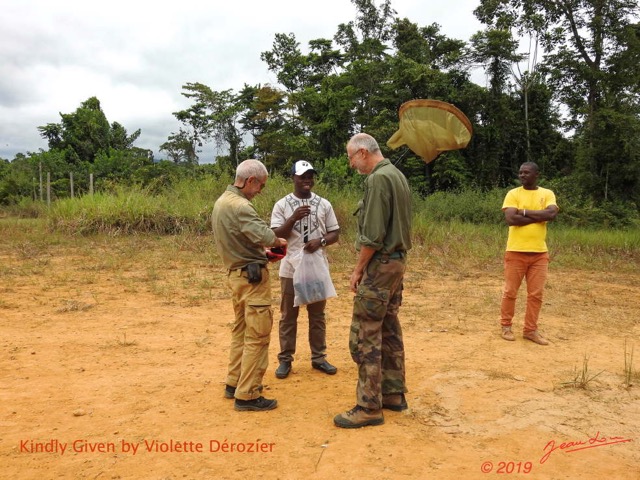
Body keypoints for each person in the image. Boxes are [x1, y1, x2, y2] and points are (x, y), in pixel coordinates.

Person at [334, 133, 412, 429]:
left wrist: (357, 270)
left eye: (351, 158)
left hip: (380, 265)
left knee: (366, 332)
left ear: (363, 152)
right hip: (396, 264)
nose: (352, 164)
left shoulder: (378, 179)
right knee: (389, 327)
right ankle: (393, 394)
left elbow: (373, 236)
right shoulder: (397, 175)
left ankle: (368, 406)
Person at [211, 159, 288, 412]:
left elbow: (240, 240)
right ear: (250, 180)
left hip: (237, 275)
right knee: (258, 335)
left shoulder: (222, 202)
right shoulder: (241, 206)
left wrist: (260, 253)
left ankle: (234, 383)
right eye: (260, 186)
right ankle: (248, 394)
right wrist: (278, 241)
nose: (260, 191)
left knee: (241, 332)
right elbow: (265, 235)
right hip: (252, 280)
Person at [270, 160, 341, 379]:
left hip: (316, 267)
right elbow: (275, 236)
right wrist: (293, 218)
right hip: (291, 269)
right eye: (302, 176)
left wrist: (320, 242)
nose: (307, 180)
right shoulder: (282, 205)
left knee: (317, 316)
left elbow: (334, 233)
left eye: (310, 176)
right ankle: (285, 360)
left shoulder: (323, 204)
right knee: (288, 316)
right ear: (293, 178)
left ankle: (319, 358)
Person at [500, 161, 559, 345]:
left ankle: (530, 330)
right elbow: (511, 219)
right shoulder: (513, 193)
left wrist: (523, 212)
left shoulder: (547, 193)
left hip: (539, 254)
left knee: (536, 294)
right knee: (510, 292)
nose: (522, 175)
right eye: (520, 172)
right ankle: (506, 326)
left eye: (526, 172)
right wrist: (538, 216)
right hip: (516, 251)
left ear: (536, 175)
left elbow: (550, 215)